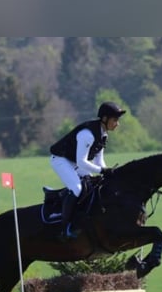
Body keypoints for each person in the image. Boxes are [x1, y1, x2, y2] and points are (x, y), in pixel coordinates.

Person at [49, 101, 126, 239]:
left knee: (92, 184)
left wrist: (107, 172)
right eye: (115, 120)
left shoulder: (103, 135)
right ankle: (65, 228)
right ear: (105, 119)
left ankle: (76, 213)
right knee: (78, 188)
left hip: (73, 161)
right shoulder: (88, 135)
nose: (117, 124)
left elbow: (99, 161)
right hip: (60, 160)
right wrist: (103, 170)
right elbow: (82, 161)